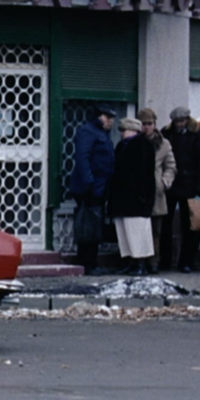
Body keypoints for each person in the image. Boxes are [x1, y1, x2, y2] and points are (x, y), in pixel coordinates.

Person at [161, 106, 200, 273]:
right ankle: (166, 260)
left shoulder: (198, 135)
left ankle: (186, 261)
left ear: (187, 120)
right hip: (173, 183)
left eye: (182, 121)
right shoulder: (167, 133)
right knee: (165, 223)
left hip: (190, 184)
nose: (179, 124)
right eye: (176, 122)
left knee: (189, 225)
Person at [69, 106, 117, 275]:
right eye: (107, 116)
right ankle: (87, 263)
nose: (110, 120)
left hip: (100, 186)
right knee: (89, 226)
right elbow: (83, 157)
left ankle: (91, 261)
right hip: (90, 188)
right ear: (98, 116)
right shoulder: (88, 131)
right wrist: (89, 182)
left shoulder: (102, 133)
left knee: (94, 225)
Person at [108, 118, 156, 275]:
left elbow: (144, 173)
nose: (122, 133)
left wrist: (142, 195)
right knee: (125, 232)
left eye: (124, 130)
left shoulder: (142, 145)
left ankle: (140, 263)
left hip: (136, 198)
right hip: (124, 196)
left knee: (137, 231)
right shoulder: (123, 145)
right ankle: (131, 261)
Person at [139, 108, 176, 274]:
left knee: (155, 231)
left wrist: (164, 182)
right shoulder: (135, 141)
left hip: (156, 193)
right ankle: (139, 261)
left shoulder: (163, 144)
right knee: (139, 230)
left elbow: (170, 166)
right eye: (144, 124)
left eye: (150, 124)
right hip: (138, 192)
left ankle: (153, 262)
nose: (147, 127)